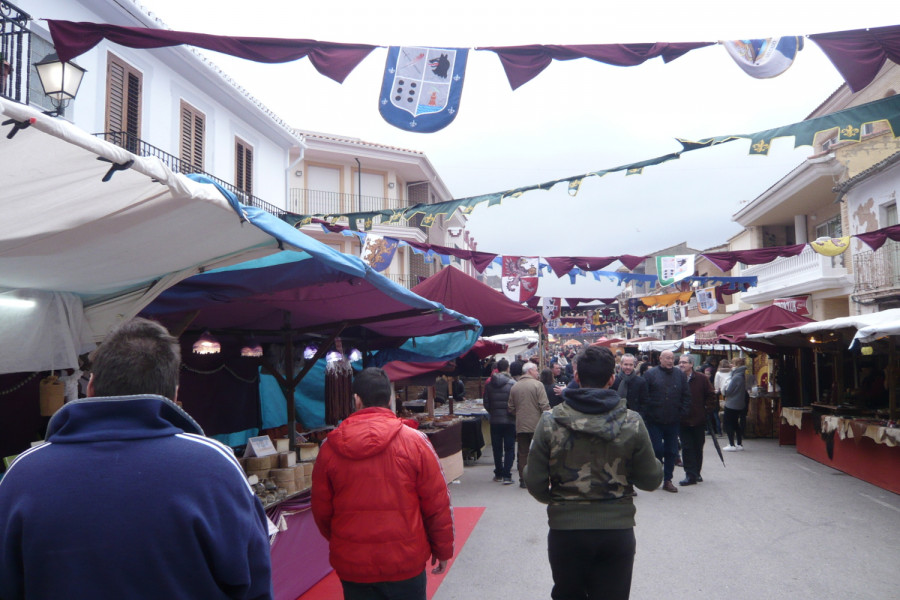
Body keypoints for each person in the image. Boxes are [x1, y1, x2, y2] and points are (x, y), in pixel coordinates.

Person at [0, 318, 273, 600]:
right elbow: (254, 584)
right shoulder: (215, 466)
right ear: (174, 394)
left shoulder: (23, 474)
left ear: (90, 387)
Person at [524, 346, 663, 600]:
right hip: (616, 530)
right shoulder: (632, 421)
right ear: (612, 378)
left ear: (577, 377)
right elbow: (651, 479)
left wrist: (558, 500)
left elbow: (534, 481)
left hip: (566, 531)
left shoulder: (550, 421)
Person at [312, 367, 454, 598]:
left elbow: (321, 511)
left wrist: (345, 541)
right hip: (405, 561)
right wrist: (443, 548)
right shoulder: (415, 442)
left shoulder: (329, 448)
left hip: (354, 564)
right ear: (389, 398)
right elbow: (437, 503)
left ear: (356, 400)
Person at [641, 349, 691, 493]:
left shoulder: (680, 375)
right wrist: (647, 415)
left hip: (673, 420)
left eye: (672, 358)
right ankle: (655, 475)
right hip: (654, 420)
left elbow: (686, 396)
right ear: (660, 359)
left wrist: (682, 413)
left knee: (672, 451)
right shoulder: (650, 374)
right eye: (667, 358)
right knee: (656, 449)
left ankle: (667, 479)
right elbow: (644, 397)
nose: (670, 361)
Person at [508, 361, 550, 488]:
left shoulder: (515, 386)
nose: (538, 372)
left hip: (521, 425)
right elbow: (545, 406)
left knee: (523, 453)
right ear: (530, 371)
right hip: (537, 425)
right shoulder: (538, 385)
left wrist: (520, 415)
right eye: (536, 370)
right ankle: (538, 479)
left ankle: (523, 479)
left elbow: (510, 407)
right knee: (539, 452)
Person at [677, 354, 718, 486]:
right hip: (683, 420)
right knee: (687, 448)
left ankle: (697, 472)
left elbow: (711, 395)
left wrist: (706, 410)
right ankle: (690, 474)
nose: (681, 365)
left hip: (698, 419)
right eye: (680, 362)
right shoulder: (677, 378)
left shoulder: (701, 379)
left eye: (684, 362)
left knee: (698, 447)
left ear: (691, 365)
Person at [483, 358, 517, 484]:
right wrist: (513, 413)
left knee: (497, 448)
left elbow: (486, 402)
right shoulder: (513, 383)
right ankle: (507, 475)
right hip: (509, 420)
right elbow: (515, 402)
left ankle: (498, 473)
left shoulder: (489, 383)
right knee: (509, 447)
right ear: (507, 368)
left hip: (495, 420)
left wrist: (493, 412)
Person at [722, 357, 749, 451]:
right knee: (736, 423)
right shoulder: (742, 375)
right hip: (739, 403)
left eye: (732, 364)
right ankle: (739, 443)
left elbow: (729, 391)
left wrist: (724, 391)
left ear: (736, 365)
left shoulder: (736, 376)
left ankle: (731, 444)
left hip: (732, 403)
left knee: (728, 423)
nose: (731, 365)